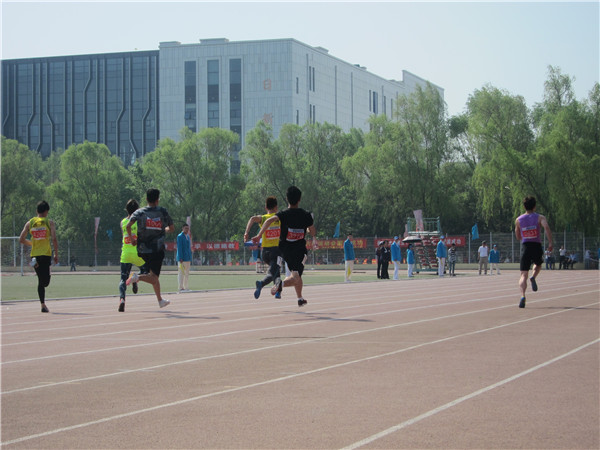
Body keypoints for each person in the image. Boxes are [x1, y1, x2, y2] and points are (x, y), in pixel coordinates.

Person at [252, 186, 316, 307]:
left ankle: (300, 298)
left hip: (285, 251)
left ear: (287, 199)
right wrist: (310, 233)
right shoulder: (306, 215)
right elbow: (312, 231)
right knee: (296, 277)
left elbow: (268, 221)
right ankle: (280, 284)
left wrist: (259, 235)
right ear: (299, 199)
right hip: (299, 251)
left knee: (296, 274)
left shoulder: (283, 214)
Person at [126, 188, 175, 308]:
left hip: (142, 250)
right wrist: (163, 229)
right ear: (157, 200)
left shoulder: (139, 212)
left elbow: (128, 226)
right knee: (153, 278)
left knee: (152, 275)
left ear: (146, 199)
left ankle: (160, 300)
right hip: (156, 250)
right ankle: (136, 277)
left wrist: (132, 240)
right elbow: (172, 228)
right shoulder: (162, 212)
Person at [19, 200, 59, 313]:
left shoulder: (30, 223)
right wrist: (56, 253)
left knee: (41, 280)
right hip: (45, 255)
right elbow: (54, 239)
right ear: (46, 211)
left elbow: (21, 239)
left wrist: (32, 243)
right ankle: (43, 305)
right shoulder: (49, 222)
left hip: (35, 255)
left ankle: (43, 305)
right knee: (45, 282)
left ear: (37, 211)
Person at [515, 196, 553, 308]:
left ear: (524, 207)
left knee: (523, 274)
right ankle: (533, 277)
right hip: (536, 245)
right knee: (538, 264)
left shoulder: (518, 220)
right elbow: (546, 228)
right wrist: (550, 242)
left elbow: (518, 236)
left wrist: (524, 235)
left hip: (525, 246)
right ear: (534, 206)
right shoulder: (540, 217)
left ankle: (522, 296)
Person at [244, 196, 282, 299]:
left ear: (266, 207)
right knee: (272, 273)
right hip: (276, 251)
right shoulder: (279, 217)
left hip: (264, 253)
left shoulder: (263, 218)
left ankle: (278, 292)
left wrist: (246, 232)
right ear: (276, 207)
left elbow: (252, 218)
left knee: (276, 270)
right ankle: (261, 283)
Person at [118, 199, 146, 312]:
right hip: (138, 253)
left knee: (122, 279)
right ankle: (134, 278)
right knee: (146, 272)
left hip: (126, 253)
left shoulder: (123, 222)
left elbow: (124, 235)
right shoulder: (139, 222)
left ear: (126, 209)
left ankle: (122, 299)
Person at [176, 223, 192, 292]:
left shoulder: (188, 236)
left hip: (187, 257)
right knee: (181, 273)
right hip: (182, 258)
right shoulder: (180, 236)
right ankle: (181, 287)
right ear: (182, 228)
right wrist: (180, 258)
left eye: (188, 228)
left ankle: (186, 287)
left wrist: (190, 256)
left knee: (187, 273)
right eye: (185, 228)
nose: (187, 230)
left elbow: (188, 247)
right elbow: (179, 248)